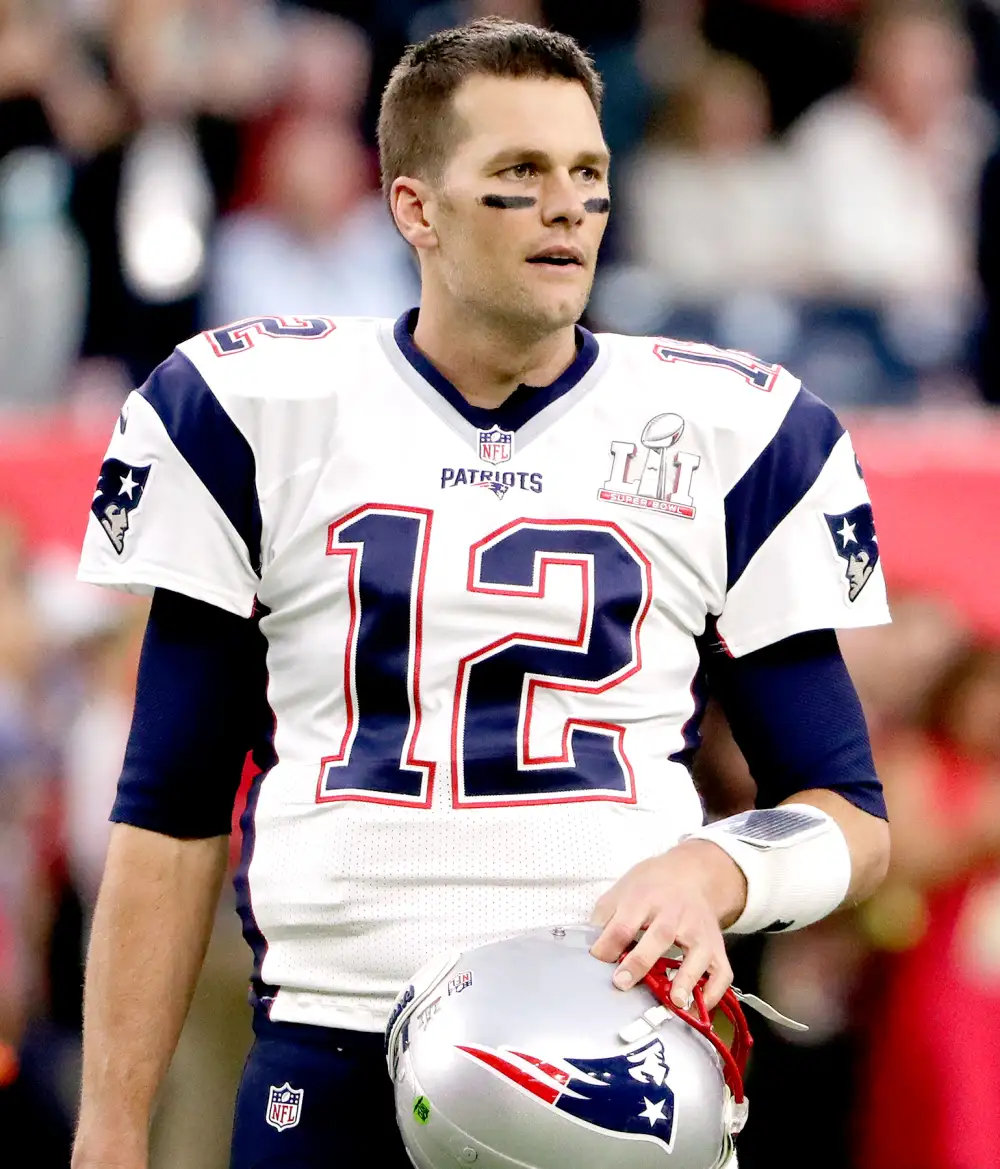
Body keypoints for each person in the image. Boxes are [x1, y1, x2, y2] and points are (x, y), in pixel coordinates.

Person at [71, 18, 890, 1169]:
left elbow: (852, 817)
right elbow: (169, 810)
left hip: (613, 1048)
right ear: (415, 207)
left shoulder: (734, 431)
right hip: (332, 1049)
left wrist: (719, 865)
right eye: (519, 173)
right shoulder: (254, 406)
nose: (567, 206)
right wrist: (112, 1126)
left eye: (589, 174)